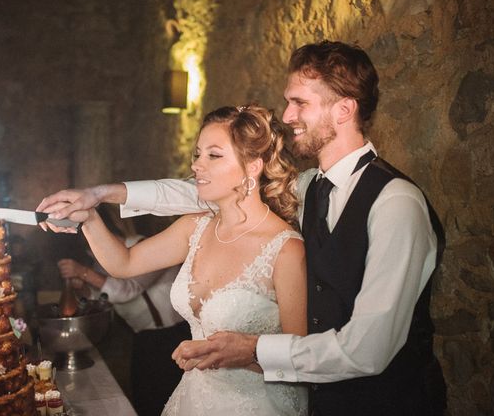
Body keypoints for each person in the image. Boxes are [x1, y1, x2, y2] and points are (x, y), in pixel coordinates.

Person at [37, 41, 447, 416]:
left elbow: (369, 349)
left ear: (344, 109)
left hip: (388, 404)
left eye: (299, 103)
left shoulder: (397, 204)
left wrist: (253, 349)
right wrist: (99, 195)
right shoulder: (309, 188)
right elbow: (204, 192)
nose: (287, 116)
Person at [39, 105, 309, 415]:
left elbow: (298, 358)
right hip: (194, 399)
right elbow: (124, 263)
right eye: (197, 154)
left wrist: (245, 354)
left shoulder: (285, 248)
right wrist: (89, 218)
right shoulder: (196, 225)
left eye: (213, 155)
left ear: (252, 167)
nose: (197, 166)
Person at [57, 205, 190, 416]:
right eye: (90, 250)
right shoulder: (104, 260)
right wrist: (82, 285)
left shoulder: (147, 246)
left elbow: (127, 290)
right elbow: (102, 297)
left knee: (169, 401)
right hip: (143, 338)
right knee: (144, 400)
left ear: (111, 233)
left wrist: (84, 272)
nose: (96, 254)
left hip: (172, 337)